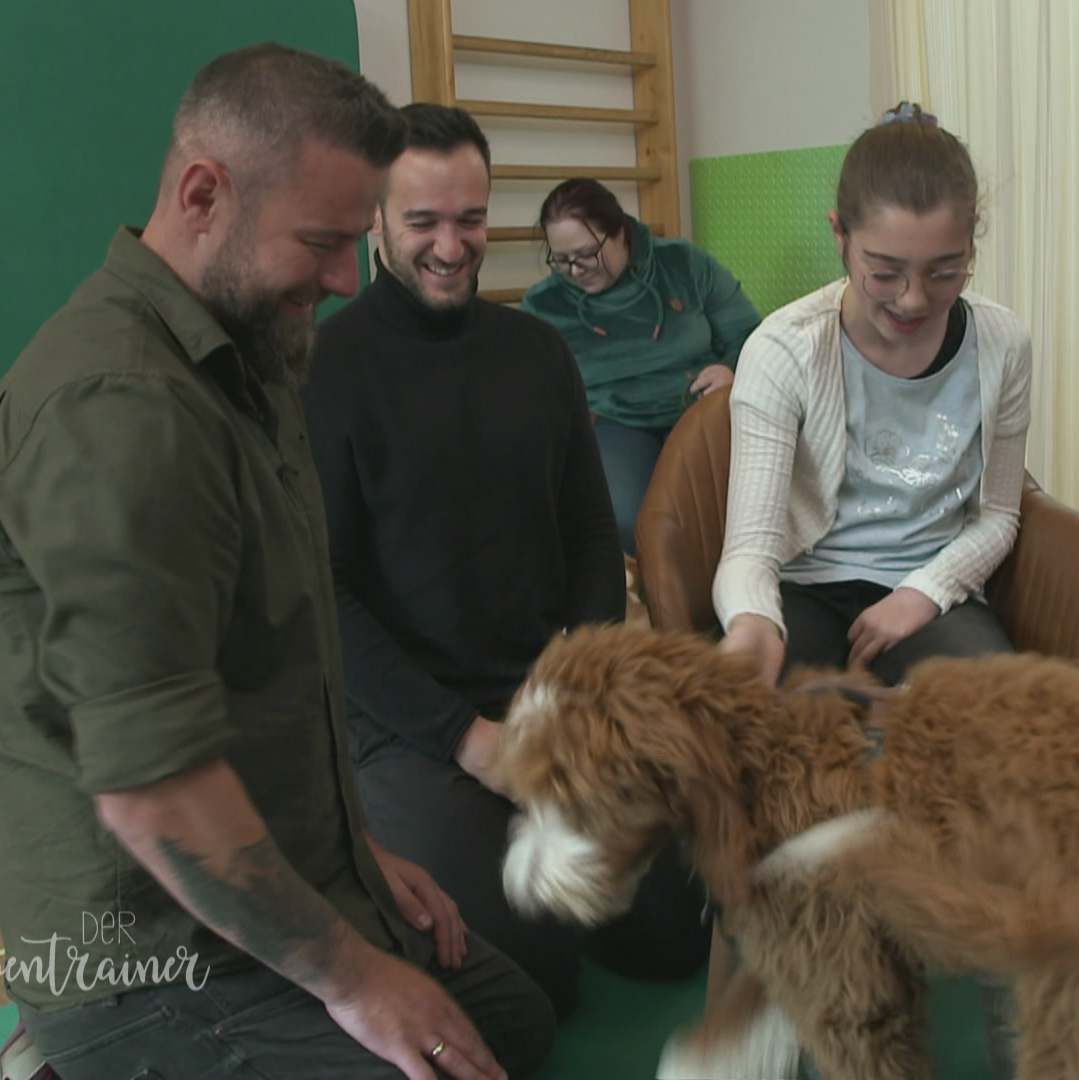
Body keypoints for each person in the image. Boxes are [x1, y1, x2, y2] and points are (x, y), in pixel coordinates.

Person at [0, 45, 554, 1080]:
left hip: (277, 883)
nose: (341, 278)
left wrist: (358, 862)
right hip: (144, 961)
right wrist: (357, 978)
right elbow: (153, 789)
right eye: (323, 242)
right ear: (202, 195)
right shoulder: (119, 414)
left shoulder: (244, 343)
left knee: (518, 1026)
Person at [301, 104, 710, 1023]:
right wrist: (470, 742)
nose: (452, 247)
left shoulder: (536, 352)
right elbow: (323, 596)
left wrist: (575, 692)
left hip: (547, 701)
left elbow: (592, 537)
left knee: (675, 934)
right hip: (414, 732)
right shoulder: (327, 369)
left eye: (471, 220)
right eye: (424, 222)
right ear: (374, 221)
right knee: (530, 986)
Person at [714, 102, 1030, 692]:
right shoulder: (784, 349)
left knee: (999, 722)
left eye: (944, 272)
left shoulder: (1003, 343)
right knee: (754, 733)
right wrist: (752, 621)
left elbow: (999, 515)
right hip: (805, 589)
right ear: (839, 234)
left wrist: (924, 593)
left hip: (932, 589)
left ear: (970, 246)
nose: (912, 300)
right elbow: (750, 551)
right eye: (884, 273)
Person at [519, 178, 761, 554]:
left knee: (712, 513)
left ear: (620, 233)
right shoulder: (544, 304)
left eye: (587, 253)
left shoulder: (683, 263)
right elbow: (530, 393)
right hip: (613, 420)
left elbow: (750, 335)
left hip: (698, 404)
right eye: (561, 260)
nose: (576, 269)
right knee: (624, 519)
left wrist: (731, 370)